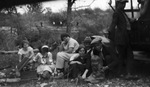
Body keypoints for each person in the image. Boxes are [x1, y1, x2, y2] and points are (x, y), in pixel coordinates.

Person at [108, 0, 134, 78]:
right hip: (121, 38)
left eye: (124, 3)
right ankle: (120, 73)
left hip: (126, 37)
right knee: (122, 56)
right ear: (118, 4)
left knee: (128, 55)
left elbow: (126, 22)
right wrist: (109, 33)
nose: (124, 5)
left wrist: (131, 20)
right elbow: (113, 24)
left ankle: (127, 73)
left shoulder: (122, 13)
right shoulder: (117, 13)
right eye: (122, 3)